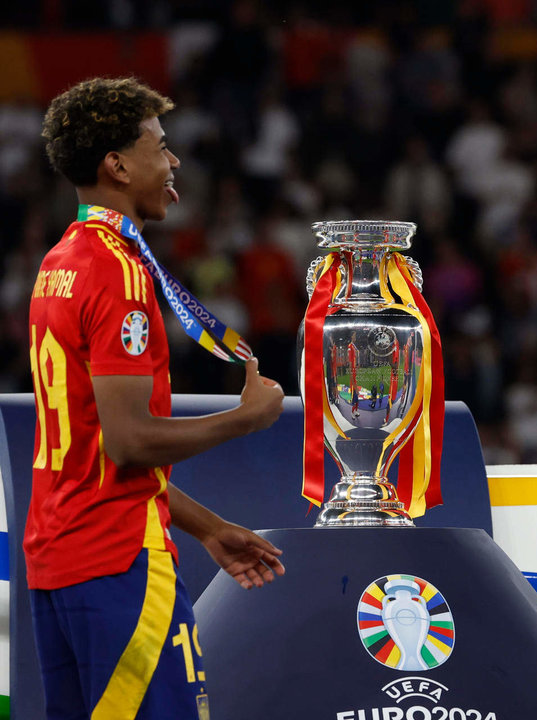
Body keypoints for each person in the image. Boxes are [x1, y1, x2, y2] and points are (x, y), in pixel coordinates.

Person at [28, 76, 286, 719]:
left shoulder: (61, 260)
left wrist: (208, 529)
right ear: (116, 165)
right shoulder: (117, 270)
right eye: (159, 147)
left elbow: (96, 447)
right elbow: (130, 440)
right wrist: (246, 419)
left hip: (60, 558)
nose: (172, 162)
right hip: (117, 559)